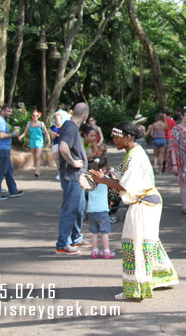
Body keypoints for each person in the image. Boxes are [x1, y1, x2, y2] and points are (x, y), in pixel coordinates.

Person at [89, 121, 178, 300]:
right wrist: (108, 176)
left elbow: (124, 186)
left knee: (135, 243)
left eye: (117, 136)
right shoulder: (132, 152)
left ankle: (136, 288)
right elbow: (123, 177)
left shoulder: (135, 155)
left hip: (144, 203)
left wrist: (103, 179)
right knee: (147, 241)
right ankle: (159, 278)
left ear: (128, 137)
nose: (114, 139)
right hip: (147, 202)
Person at [56, 102, 90, 255]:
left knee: (78, 208)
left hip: (77, 177)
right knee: (70, 209)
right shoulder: (70, 127)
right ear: (85, 115)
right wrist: (74, 162)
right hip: (72, 176)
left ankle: (76, 238)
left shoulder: (70, 127)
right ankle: (63, 244)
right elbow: (63, 147)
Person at [0, 104, 24, 201]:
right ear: (3, 111)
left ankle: (13, 191)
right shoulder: (0, 121)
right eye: (8, 111)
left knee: (8, 169)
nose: (10, 114)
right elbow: (0, 135)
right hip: (2, 149)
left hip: (0, 148)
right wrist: (13, 134)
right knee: (1, 171)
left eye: (11, 112)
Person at [87, 156, 116, 259]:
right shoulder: (105, 179)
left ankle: (94, 251)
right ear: (104, 168)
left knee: (94, 232)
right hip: (102, 210)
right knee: (104, 232)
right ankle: (107, 251)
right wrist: (111, 173)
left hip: (91, 210)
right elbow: (115, 183)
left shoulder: (89, 180)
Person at [18, 109, 51, 177]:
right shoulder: (29, 124)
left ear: (38, 116)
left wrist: (49, 141)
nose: (35, 117)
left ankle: (37, 170)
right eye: (34, 115)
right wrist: (21, 136)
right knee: (34, 156)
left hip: (39, 141)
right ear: (32, 116)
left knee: (37, 156)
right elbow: (25, 132)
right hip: (32, 141)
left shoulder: (41, 124)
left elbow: (46, 132)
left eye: (36, 115)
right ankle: (38, 168)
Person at [50, 113, 63, 180]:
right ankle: (59, 173)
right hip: (55, 144)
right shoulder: (53, 127)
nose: (58, 120)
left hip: (62, 144)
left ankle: (63, 173)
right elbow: (52, 137)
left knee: (62, 159)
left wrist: (59, 135)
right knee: (57, 160)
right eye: (56, 119)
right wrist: (55, 135)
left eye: (59, 119)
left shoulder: (63, 127)